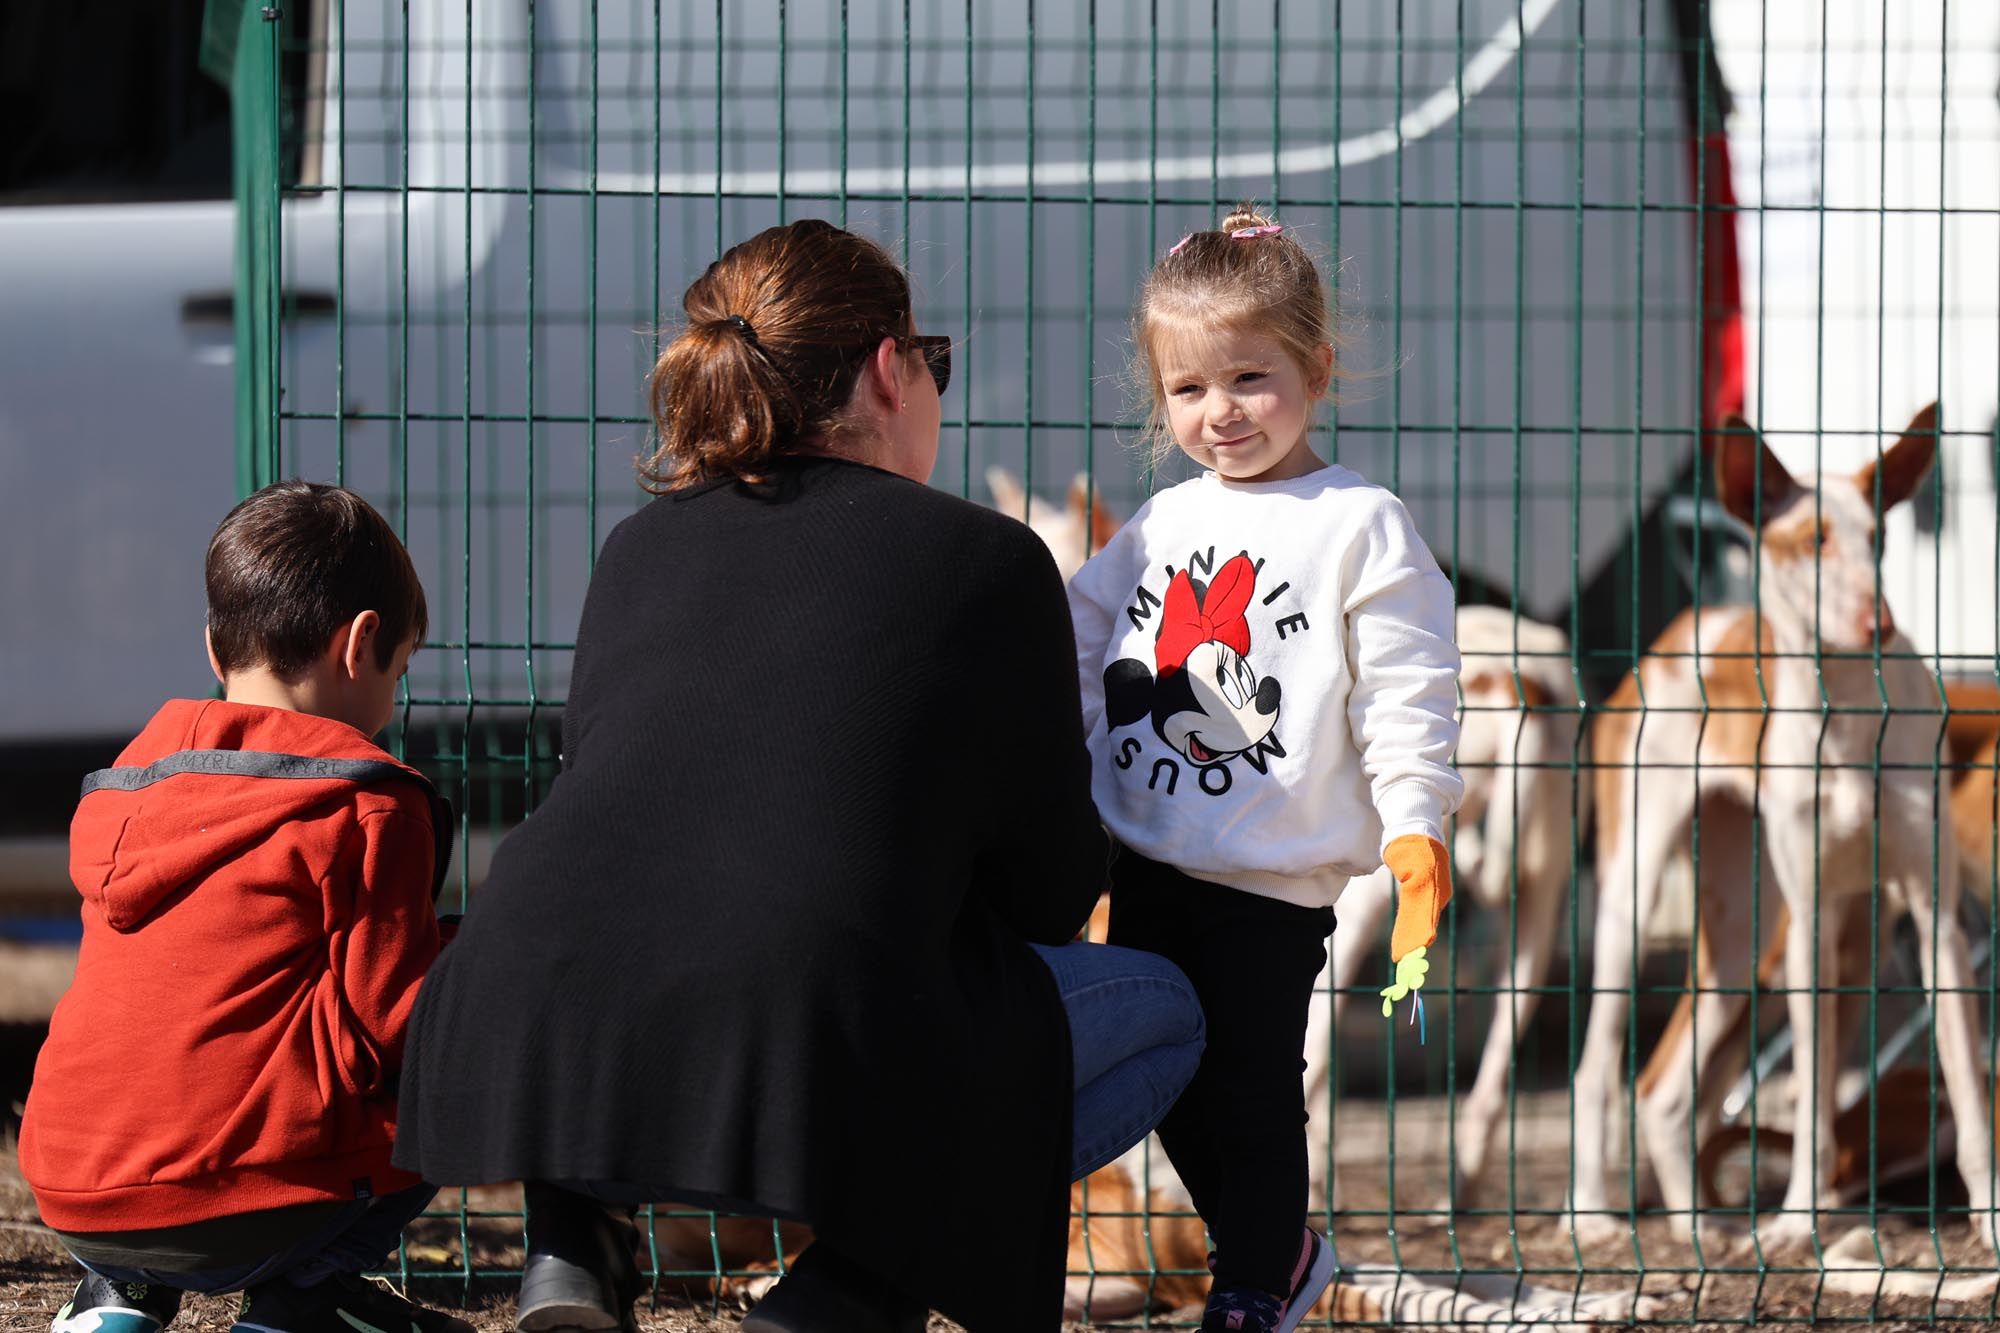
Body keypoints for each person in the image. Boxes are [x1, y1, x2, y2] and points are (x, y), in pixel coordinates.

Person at [389, 218, 1206, 1333]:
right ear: (887, 367)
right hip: (798, 1026)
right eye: (937, 363)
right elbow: (1049, 897)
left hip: (522, 1012)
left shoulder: (640, 546)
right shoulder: (986, 559)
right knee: (1158, 1009)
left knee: (644, 934)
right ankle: (840, 1300)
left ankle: (574, 1255)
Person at [1067, 207, 1465, 1333]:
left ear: (1316, 368)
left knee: (1247, 1087)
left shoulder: (1357, 523)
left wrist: (1414, 820)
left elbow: (1407, 687)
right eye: (1186, 389)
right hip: (1141, 853)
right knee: (1159, 1079)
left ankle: (1250, 1284)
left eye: (1248, 377)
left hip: (1269, 877)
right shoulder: (1156, 518)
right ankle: (1277, 1254)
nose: (1218, 412)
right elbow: (1076, 631)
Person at [21, 482, 466, 1333]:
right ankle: (303, 1303)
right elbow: (398, 1023)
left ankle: (118, 1300)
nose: (394, 702)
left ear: (216, 650)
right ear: (361, 643)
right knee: (451, 1041)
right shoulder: (368, 801)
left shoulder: (130, 782)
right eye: (399, 672)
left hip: (76, 1187)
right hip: (248, 1204)